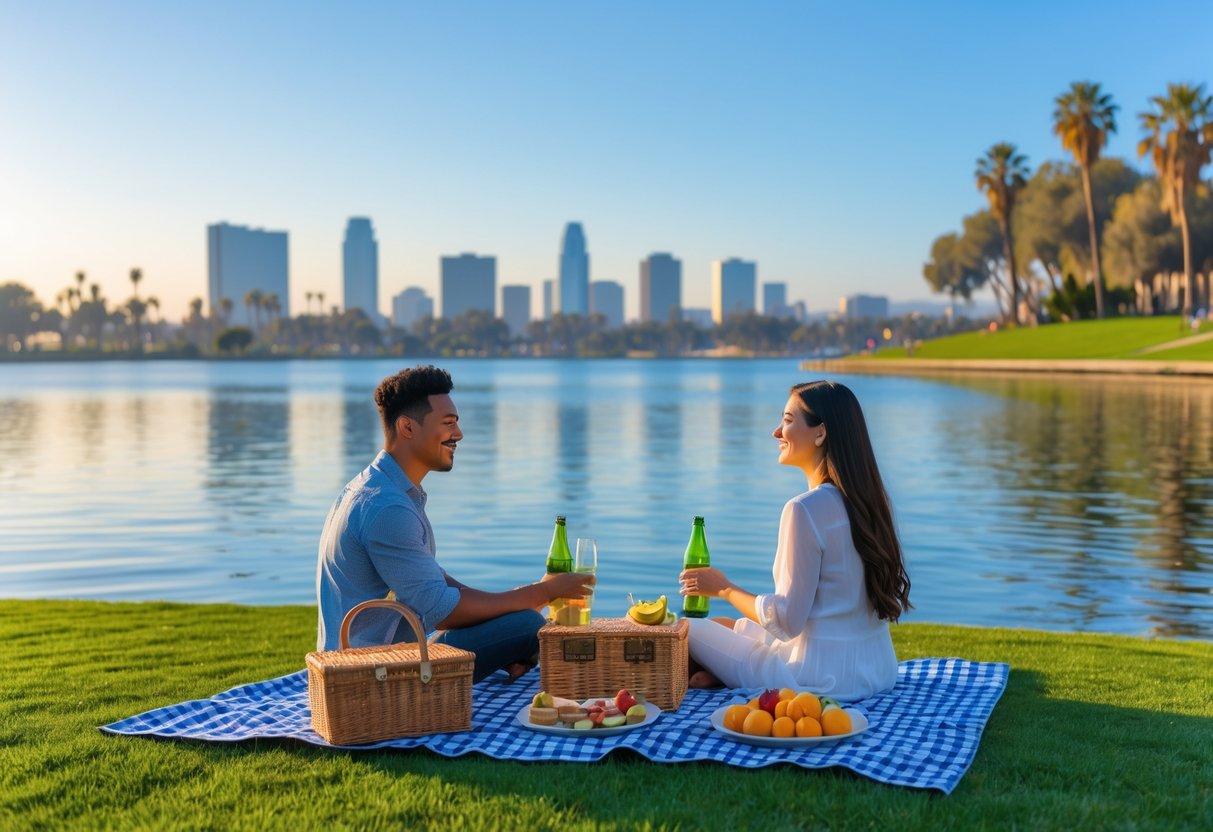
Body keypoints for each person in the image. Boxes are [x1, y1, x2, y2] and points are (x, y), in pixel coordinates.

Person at [316, 365, 594, 683]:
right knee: (526, 627)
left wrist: (530, 595)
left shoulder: (380, 489)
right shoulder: (386, 508)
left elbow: (441, 585)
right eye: (448, 424)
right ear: (407, 427)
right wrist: (542, 593)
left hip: (383, 657)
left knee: (517, 622)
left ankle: (513, 649)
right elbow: (442, 611)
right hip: (370, 674)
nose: (458, 435)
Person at [678, 380, 911, 702]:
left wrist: (723, 588)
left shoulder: (804, 509)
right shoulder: (868, 503)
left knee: (687, 630)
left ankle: (720, 674)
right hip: (878, 671)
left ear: (820, 433)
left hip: (816, 679)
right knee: (734, 627)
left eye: (788, 420)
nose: (777, 432)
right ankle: (720, 674)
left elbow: (787, 621)